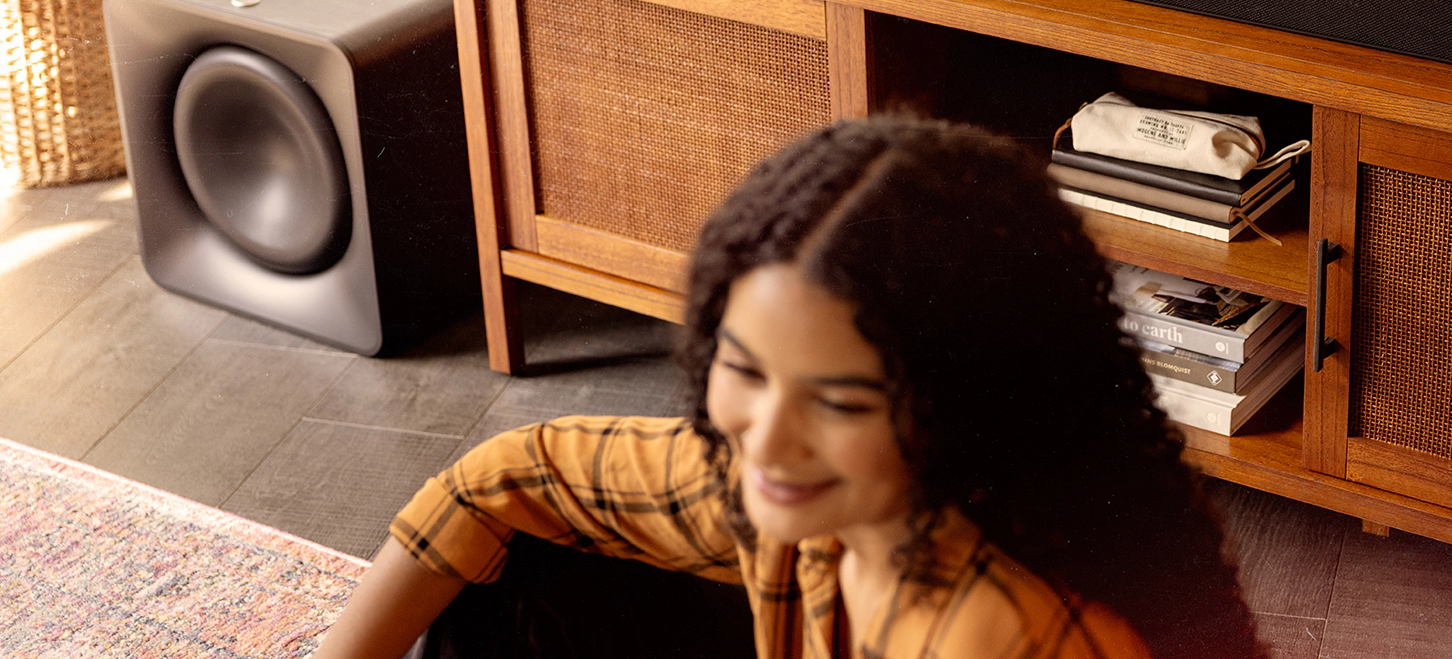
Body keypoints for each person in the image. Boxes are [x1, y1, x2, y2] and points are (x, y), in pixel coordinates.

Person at [313, 115, 1267, 659]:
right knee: (524, 572)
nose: (766, 439)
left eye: (839, 402)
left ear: (957, 405)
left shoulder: (999, 634)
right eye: (743, 368)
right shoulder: (809, 504)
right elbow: (502, 479)